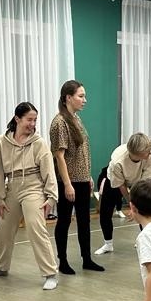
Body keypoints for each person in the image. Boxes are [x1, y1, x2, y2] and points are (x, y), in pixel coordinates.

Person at [0, 103, 59, 290]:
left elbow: (49, 170)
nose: (33, 124)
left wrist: (51, 196)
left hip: (34, 187)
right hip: (12, 187)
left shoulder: (39, 142)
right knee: (4, 227)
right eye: (29, 119)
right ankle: (1, 267)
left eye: (35, 120)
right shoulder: (1, 142)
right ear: (17, 119)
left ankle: (50, 273)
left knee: (35, 227)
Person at [50, 80, 104, 274]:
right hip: (68, 181)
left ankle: (86, 259)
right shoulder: (60, 123)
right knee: (64, 220)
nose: (84, 100)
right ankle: (63, 261)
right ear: (68, 98)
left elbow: (82, 152)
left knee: (84, 221)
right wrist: (67, 184)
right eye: (81, 96)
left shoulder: (76, 119)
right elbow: (59, 156)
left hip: (82, 180)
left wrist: (87, 176)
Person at [95, 133, 151, 256]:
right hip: (116, 181)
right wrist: (130, 203)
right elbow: (121, 185)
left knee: (146, 210)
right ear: (138, 153)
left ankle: (147, 240)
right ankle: (108, 244)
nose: (150, 153)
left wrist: (137, 205)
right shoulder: (117, 161)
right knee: (105, 212)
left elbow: (146, 183)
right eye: (147, 152)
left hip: (140, 180)